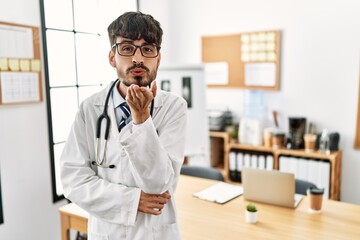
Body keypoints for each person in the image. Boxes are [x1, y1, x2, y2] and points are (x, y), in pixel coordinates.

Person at [60, 11, 187, 240]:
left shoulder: (173, 108)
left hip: (155, 232)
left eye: (148, 49)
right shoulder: (91, 109)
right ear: (112, 57)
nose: (138, 59)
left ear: (158, 59)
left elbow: (160, 184)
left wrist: (141, 119)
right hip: (108, 231)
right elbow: (73, 179)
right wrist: (132, 200)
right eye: (127, 48)